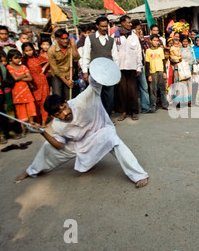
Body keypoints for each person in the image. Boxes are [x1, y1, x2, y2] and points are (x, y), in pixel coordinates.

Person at [15, 74, 149, 188]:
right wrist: (42, 132)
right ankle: (31, 170)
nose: (65, 112)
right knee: (47, 146)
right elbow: (59, 146)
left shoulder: (81, 100)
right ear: (54, 116)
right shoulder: (57, 125)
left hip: (99, 132)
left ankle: (138, 175)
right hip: (78, 145)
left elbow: (94, 84)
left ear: (66, 102)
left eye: (64, 107)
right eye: (60, 113)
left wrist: (94, 72)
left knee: (112, 138)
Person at [80, 16, 119, 118]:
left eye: (106, 26)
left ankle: (107, 117)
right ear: (97, 26)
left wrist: (117, 73)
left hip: (108, 72)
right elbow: (86, 56)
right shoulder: (90, 38)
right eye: (102, 26)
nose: (104, 28)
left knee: (109, 96)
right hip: (95, 72)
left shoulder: (111, 40)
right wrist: (85, 71)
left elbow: (115, 58)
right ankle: (98, 118)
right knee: (96, 95)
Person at [112, 15, 143, 121]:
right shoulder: (115, 36)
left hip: (132, 67)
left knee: (133, 90)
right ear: (122, 23)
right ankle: (123, 112)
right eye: (128, 22)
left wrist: (139, 67)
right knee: (122, 91)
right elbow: (113, 53)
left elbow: (138, 52)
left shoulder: (134, 36)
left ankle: (134, 111)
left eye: (131, 23)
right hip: (120, 67)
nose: (130, 24)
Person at [6, 49, 36, 137]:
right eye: (16, 58)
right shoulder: (9, 67)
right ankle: (23, 128)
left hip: (26, 90)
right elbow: (14, 79)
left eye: (19, 58)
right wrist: (23, 76)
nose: (18, 60)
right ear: (10, 59)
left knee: (31, 108)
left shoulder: (23, 67)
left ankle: (31, 126)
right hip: (17, 92)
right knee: (20, 110)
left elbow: (30, 78)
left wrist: (19, 77)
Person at [21, 42, 50, 128]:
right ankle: (38, 122)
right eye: (26, 51)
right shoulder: (23, 61)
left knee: (44, 101)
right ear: (23, 51)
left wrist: (44, 68)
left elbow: (48, 60)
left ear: (33, 49)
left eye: (30, 50)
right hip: (32, 82)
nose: (29, 52)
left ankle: (44, 122)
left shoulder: (38, 57)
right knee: (35, 103)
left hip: (42, 81)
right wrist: (30, 83)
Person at [48, 29, 80, 102]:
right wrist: (66, 82)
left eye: (66, 39)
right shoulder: (51, 50)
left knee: (69, 98)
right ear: (57, 39)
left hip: (69, 75)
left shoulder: (70, 47)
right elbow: (55, 69)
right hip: (58, 76)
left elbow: (76, 58)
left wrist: (73, 45)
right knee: (58, 97)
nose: (65, 41)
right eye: (63, 39)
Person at [0, 52, 23, 142]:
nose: (3, 63)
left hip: (5, 95)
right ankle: (1, 135)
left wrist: (1, 84)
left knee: (10, 114)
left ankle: (11, 132)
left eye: (5, 61)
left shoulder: (6, 70)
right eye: (1, 61)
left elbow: (11, 81)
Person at [132, 19, 153, 114]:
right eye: (139, 26)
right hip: (132, 65)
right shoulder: (131, 36)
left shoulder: (138, 36)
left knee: (144, 86)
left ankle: (146, 107)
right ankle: (134, 109)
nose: (140, 28)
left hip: (140, 64)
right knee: (133, 88)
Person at [146, 34, 168, 111]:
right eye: (154, 40)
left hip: (161, 70)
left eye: (157, 40)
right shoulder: (148, 51)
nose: (156, 42)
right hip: (152, 72)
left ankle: (165, 104)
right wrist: (148, 75)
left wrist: (165, 72)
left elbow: (163, 61)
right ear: (150, 41)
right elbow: (147, 64)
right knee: (153, 89)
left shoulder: (160, 50)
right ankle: (153, 105)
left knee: (163, 88)